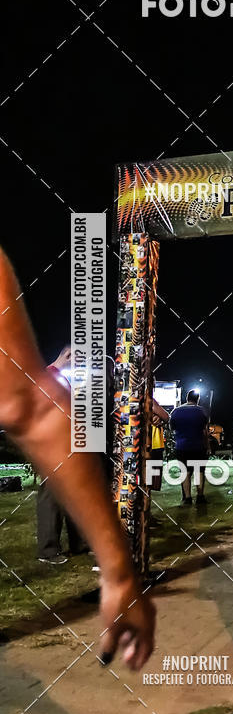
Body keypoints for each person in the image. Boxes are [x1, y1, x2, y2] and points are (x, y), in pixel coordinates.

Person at [0, 246, 155, 669]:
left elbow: (31, 408)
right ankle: (51, 547)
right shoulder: (59, 371)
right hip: (64, 446)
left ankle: (68, 545)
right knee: (50, 501)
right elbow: (31, 407)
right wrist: (119, 572)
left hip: (78, 446)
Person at [36, 346, 88, 563]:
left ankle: (79, 543)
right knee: (51, 496)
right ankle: (48, 550)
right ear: (68, 356)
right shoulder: (47, 378)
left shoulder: (61, 379)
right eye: (78, 360)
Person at [169, 390, 209, 506]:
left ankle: (187, 498)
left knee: (185, 472)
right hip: (198, 446)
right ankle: (200, 496)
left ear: (187, 398)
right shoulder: (202, 412)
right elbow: (204, 430)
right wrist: (207, 446)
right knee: (199, 471)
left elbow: (172, 427)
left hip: (182, 446)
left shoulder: (176, 411)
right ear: (198, 399)